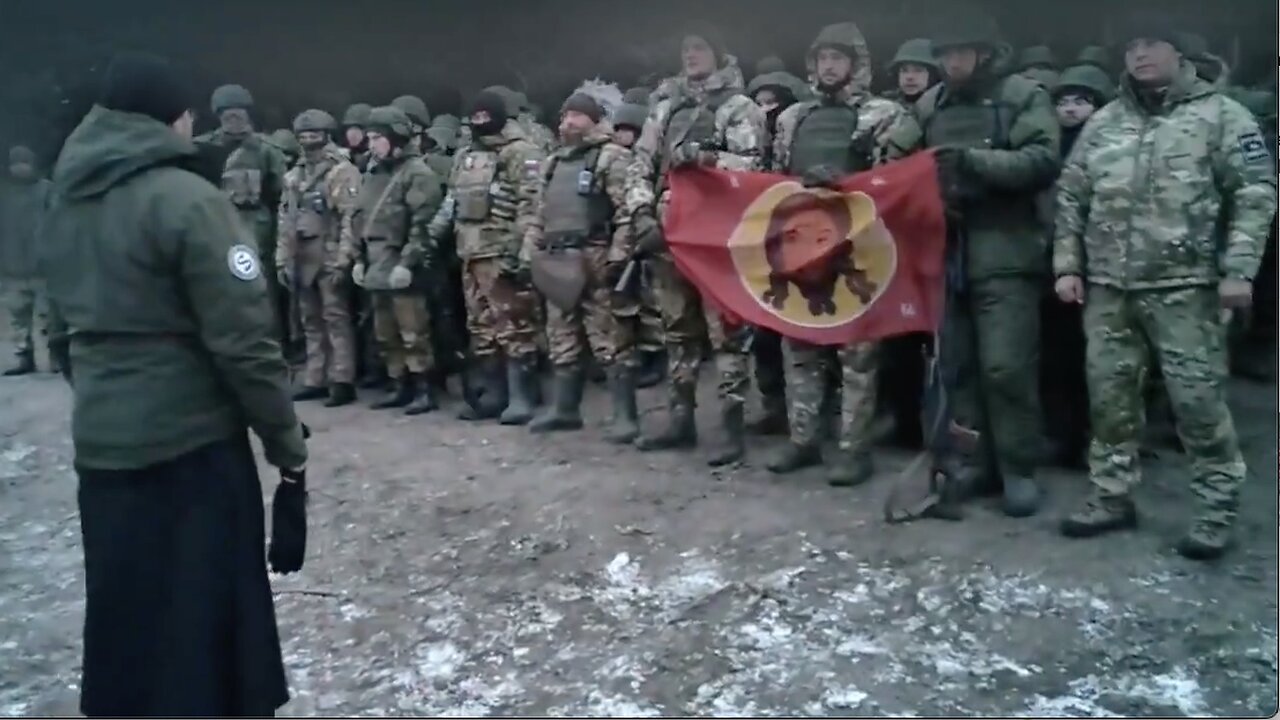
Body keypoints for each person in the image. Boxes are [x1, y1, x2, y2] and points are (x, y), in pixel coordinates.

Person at [38, 52, 306, 717]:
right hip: (193, 448)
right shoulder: (187, 199)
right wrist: (285, 442)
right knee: (206, 609)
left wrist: (107, 396)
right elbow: (245, 343)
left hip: (104, 443)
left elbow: (61, 328)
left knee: (128, 601)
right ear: (176, 118)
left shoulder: (65, 199)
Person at [1052, 21, 1277, 558]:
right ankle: (1111, 496)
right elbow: (1071, 197)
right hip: (1110, 289)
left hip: (1187, 290)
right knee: (1110, 400)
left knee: (1198, 403)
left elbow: (1256, 192)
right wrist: (1067, 265)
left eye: (1152, 44)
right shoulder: (1105, 123)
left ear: (1180, 53)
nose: (1141, 54)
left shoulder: (1221, 116)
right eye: (1132, 46)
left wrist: (1240, 270)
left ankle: (1215, 510)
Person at [886, 12, 1061, 518]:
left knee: (1007, 368)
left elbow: (1043, 159)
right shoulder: (930, 103)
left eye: (959, 53)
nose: (949, 62)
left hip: (1006, 254)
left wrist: (972, 162)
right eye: (943, 55)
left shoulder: (1022, 95)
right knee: (957, 370)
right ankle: (976, 463)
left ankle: (1018, 469)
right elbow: (897, 158)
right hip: (947, 254)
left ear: (983, 53)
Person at [765, 22, 906, 486]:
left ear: (856, 64)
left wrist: (846, 182)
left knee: (858, 354)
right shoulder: (792, 118)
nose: (829, 66)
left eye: (838, 58)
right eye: (822, 58)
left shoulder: (884, 115)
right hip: (801, 244)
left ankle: (853, 448)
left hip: (858, 250)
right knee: (799, 343)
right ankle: (804, 440)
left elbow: (897, 183)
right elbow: (772, 178)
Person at [626, 23, 767, 465]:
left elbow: (752, 166)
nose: (691, 55)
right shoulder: (666, 106)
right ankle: (679, 419)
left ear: (719, 54)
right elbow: (640, 164)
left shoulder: (739, 107)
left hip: (718, 236)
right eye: (686, 48)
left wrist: (707, 158)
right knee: (676, 331)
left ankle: (730, 427)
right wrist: (641, 212)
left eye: (700, 48)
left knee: (725, 333)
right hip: (671, 234)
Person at [524, 90, 638, 441]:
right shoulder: (553, 163)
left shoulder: (612, 157)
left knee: (610, 339)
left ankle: (625, 416)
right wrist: (528, 251)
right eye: (564, 116)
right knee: (561, 337)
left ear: (594, 119)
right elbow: (538, 214)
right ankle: (565, 409)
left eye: (576, 115)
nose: (568, 122)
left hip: (595, 257)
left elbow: (627, 212)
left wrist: (618, 256)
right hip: (556, 259)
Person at [429, 89, 546, 424]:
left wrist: (521, 252)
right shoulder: (466, 155)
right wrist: (433, 233)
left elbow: (532, 205)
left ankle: (522, 396)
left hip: (501, 250)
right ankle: (494, 394)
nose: (480, 123)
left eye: (485, 116)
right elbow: (453, 200)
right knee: (481, 326)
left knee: (514, 323)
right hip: (470, 252)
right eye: (475, 117)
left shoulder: (521, 152)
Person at [1039, 63, 1114, 468]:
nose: (1070, 110)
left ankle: (1098, 439)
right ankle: (1064, 436)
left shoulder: (1111, 146)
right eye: (1063, 102)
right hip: (1053, 264)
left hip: (1102, 265)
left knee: (1101, 361)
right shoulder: (1047, 147)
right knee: (1058, 358)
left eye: (1081, 101)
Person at [348, 106, 443, 415]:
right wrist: (359, 258)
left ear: (396, 138)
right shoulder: (372, 173)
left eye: (378, 138)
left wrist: (408, 263)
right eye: (370, 138)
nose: (371, 144)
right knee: (385, 332)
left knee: (414, 331)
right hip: (377, 263)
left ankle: (423, 388)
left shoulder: (418, 174)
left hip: (403, 264)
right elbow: (360, 219)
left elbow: (423, 224)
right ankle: (399, 383)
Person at [195, 84, 291, 349]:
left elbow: (282, 196)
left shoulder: (265, 150)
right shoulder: (201, 148)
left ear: (248, 115)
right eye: (227, 115)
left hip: (257, 232)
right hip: (213, 229)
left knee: (264, 293)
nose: (233, 120)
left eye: (238, 114)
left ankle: (273, 346)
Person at [276, 109, 362, 407]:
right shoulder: (294, 175)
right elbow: (285, 220)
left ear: (327, 135)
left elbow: (350, 217)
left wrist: (344, 258)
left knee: (335, 317)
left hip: (329, 252)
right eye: (303, 135)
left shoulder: (341, 171)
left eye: (314, 134)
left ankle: (342, 378)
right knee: (309, 320)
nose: (308, 139)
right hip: (302, 256)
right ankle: (315, 377)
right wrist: (282, 259)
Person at [610, 87, 668, 390]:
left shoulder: (646, 162)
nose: (621, 136)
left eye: (628, 131)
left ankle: (655, 357)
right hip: (623, 239)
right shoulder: (614, 161)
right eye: (617, 130)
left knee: (652, 302)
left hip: (648, 235)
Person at [1, 145, 51, 376]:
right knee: (18, 319)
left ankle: (55, 356)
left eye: (24, 162)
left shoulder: (49, 192)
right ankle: (24, 358)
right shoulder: (5, 195)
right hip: (13, 267)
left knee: (48, 316)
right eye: (15, 162)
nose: (19, 167)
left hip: (45, 266)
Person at [883, 38, 940, 105]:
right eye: (904, 70)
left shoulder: (946, 107)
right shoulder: (885, 105)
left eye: (918, 70)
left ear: (933, 74)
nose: (909, 77)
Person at [341, 102, 373, 172]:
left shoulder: (378, 158)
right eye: (349, 128)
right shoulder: (342, 156)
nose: (352, 134)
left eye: (358, 128)